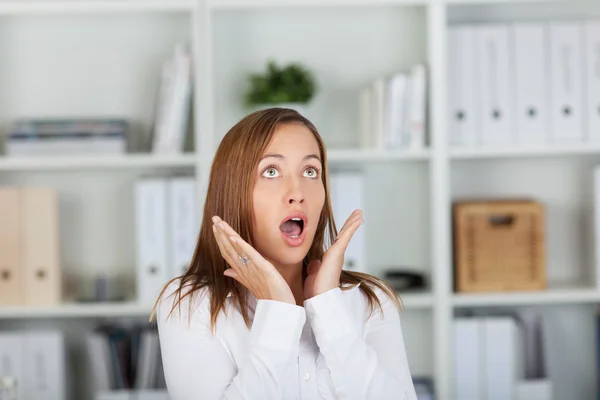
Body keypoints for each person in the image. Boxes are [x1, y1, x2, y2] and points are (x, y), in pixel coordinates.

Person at [151, 108, 418, 400]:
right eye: (271, 172)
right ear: (232, 191)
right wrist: (277, 309)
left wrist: (328, 307)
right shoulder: (190, 306)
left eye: (310, 171)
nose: (297, 192)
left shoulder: (370, 300)